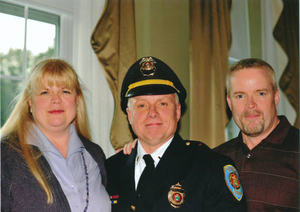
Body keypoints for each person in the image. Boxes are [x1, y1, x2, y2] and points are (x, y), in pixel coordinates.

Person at [105, 56, 247, 211]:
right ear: (130, 115)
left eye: (162, 103)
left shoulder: (210, 166)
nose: (152, 113)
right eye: (142, 105)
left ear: (177, 111)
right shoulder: (110, 169)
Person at [1, 59, 111, 212]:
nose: (56, 100)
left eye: (65, 91)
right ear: (30, 102)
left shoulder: (95, 155)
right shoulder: (5, 156)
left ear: (77, 101)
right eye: (45, 92)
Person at [213, 58, 299, 211]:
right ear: (229, 102)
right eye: (240, 96)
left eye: (260, 93)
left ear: (276, 97)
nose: (250, 104)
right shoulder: (215, 158)